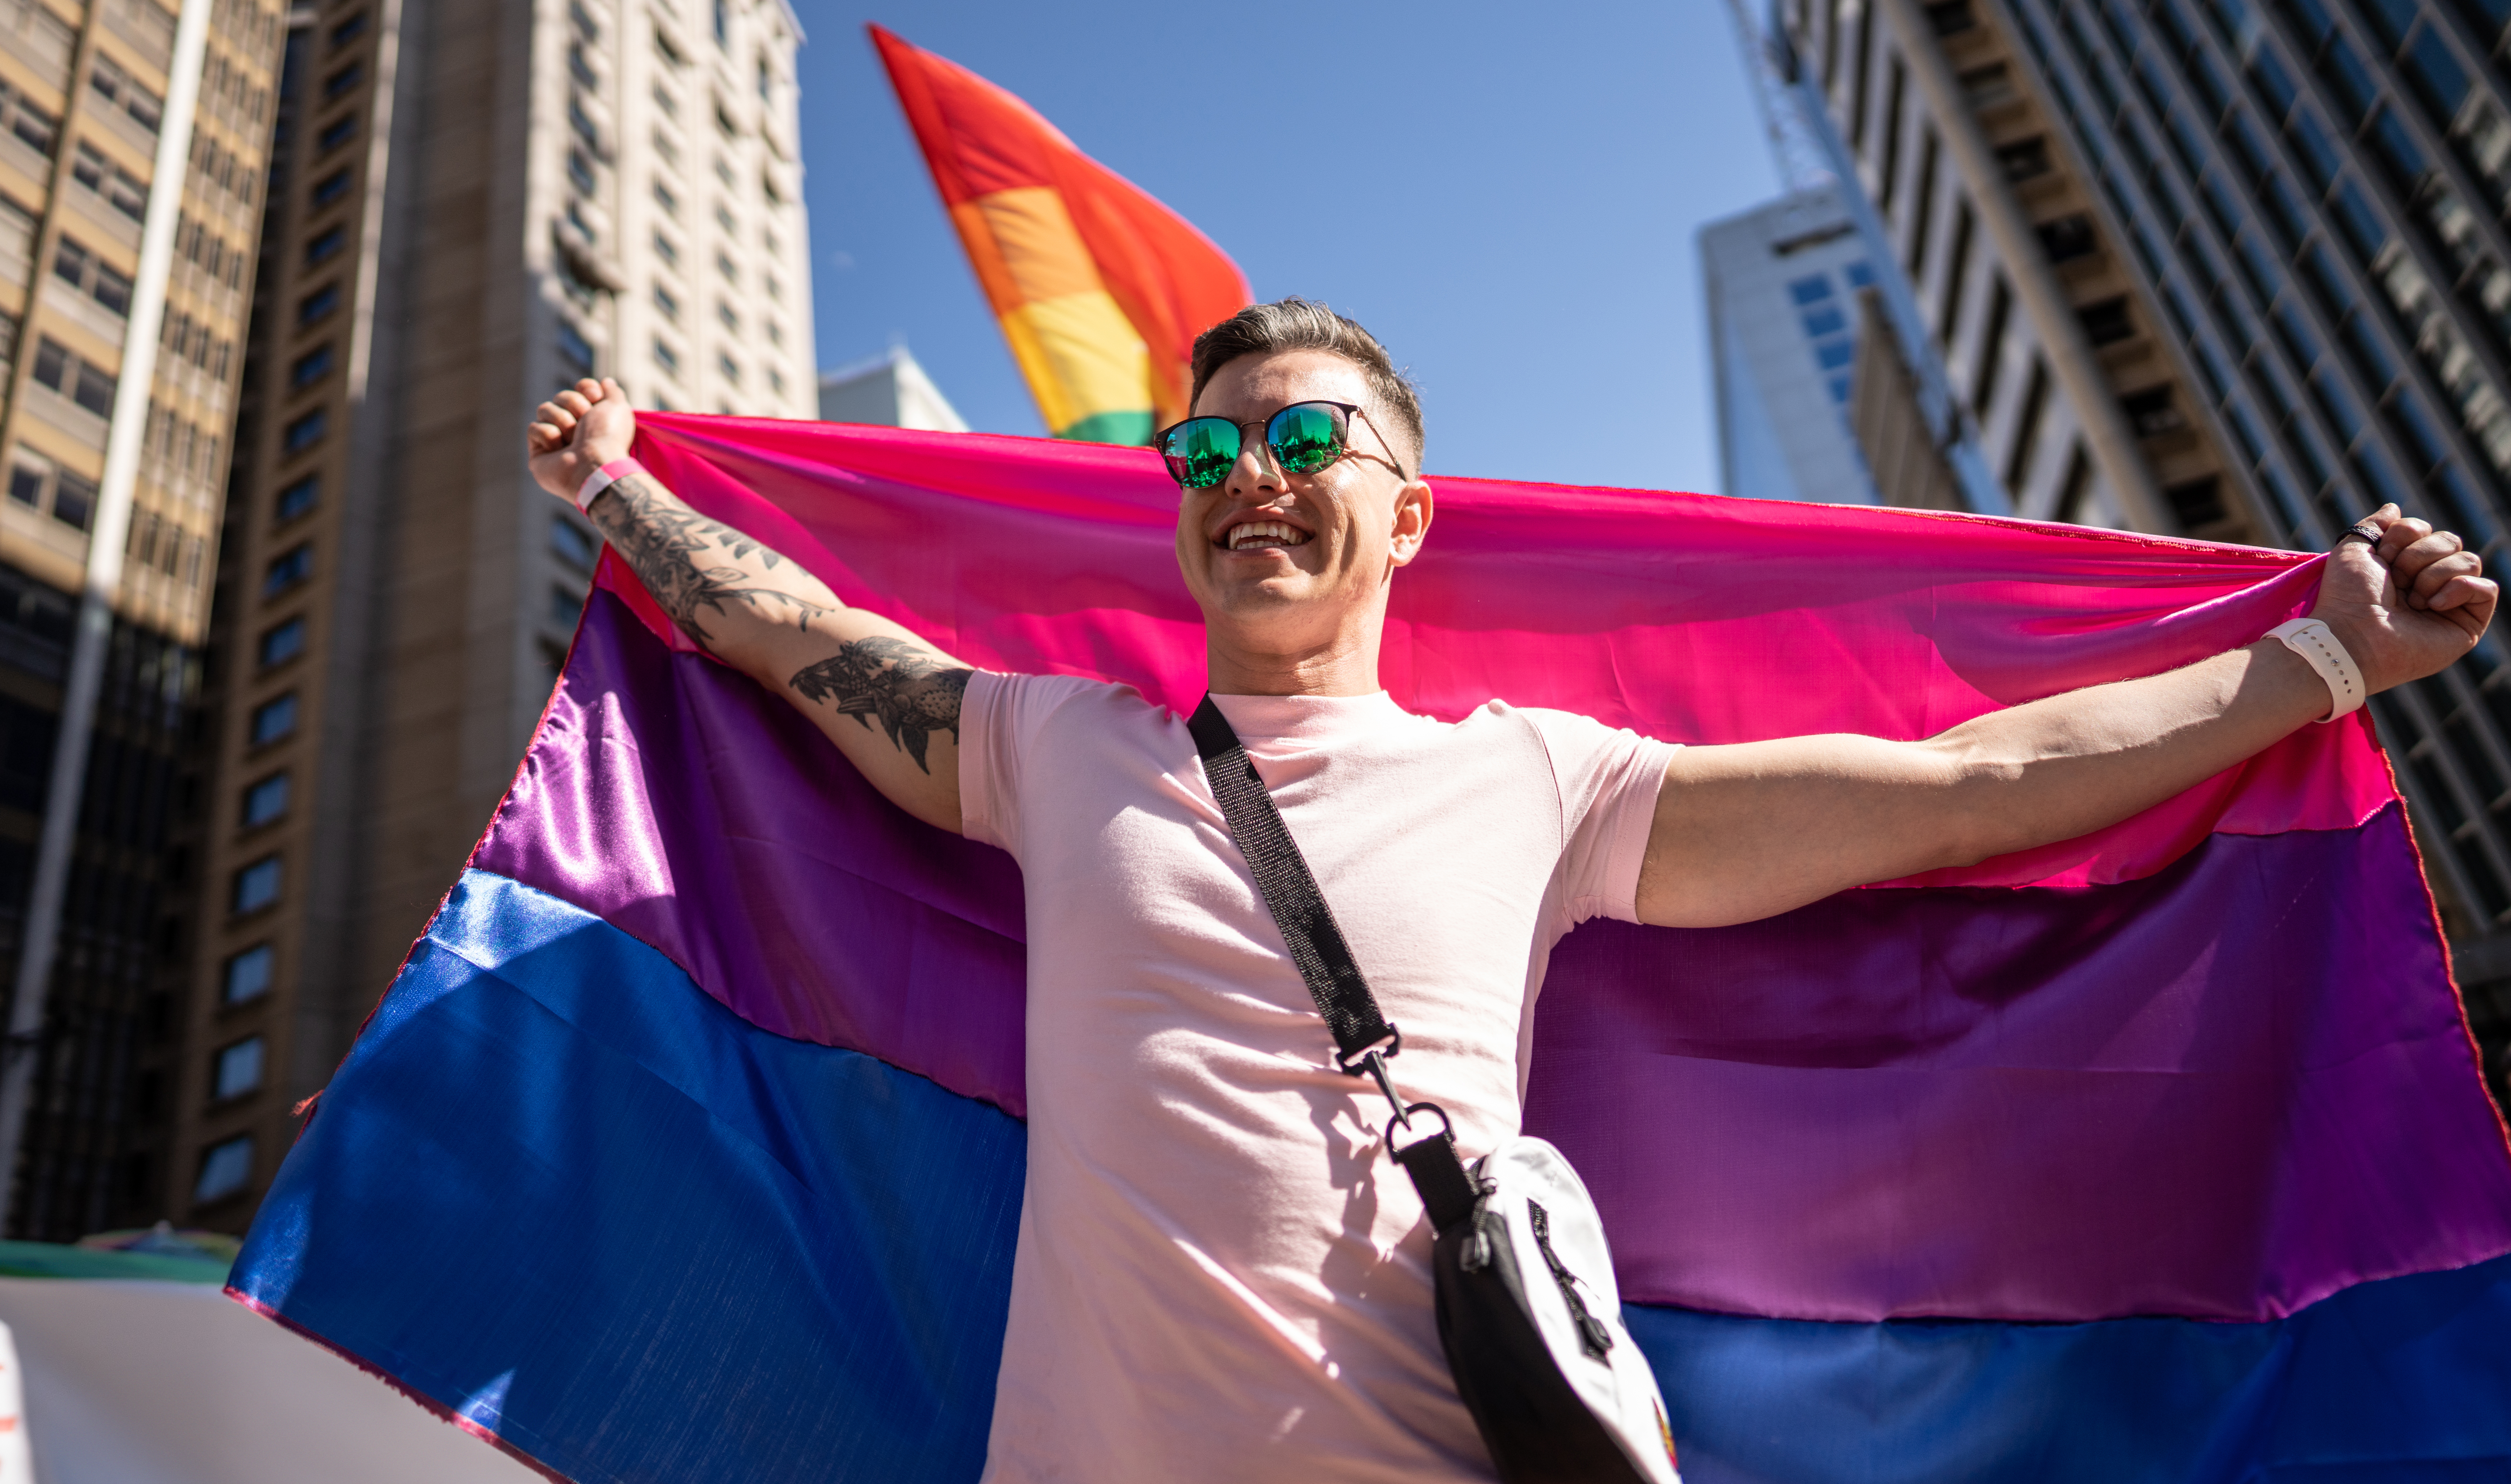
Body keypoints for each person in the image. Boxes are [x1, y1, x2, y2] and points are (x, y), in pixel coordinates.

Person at [527, 298, 2494, 1484]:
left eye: (1308, 439)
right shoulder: (1057, 748)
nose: (1249, 474)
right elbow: (793, 644)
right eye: (1205, 444)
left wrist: (2325, 660)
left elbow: (1974, 784)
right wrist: (622, 488)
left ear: (1407, 512)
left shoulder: (1532, 780)